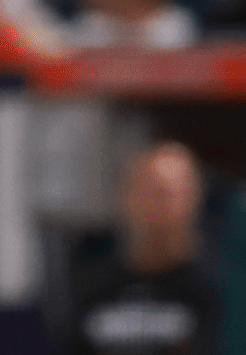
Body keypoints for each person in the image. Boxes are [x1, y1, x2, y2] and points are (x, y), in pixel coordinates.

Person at [64, 142, 218, 355]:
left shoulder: (213, 288)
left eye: (171, 194)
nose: (161, 205)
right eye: (152, 192)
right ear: (127, 198)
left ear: (193, 199)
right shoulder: (93, 286)